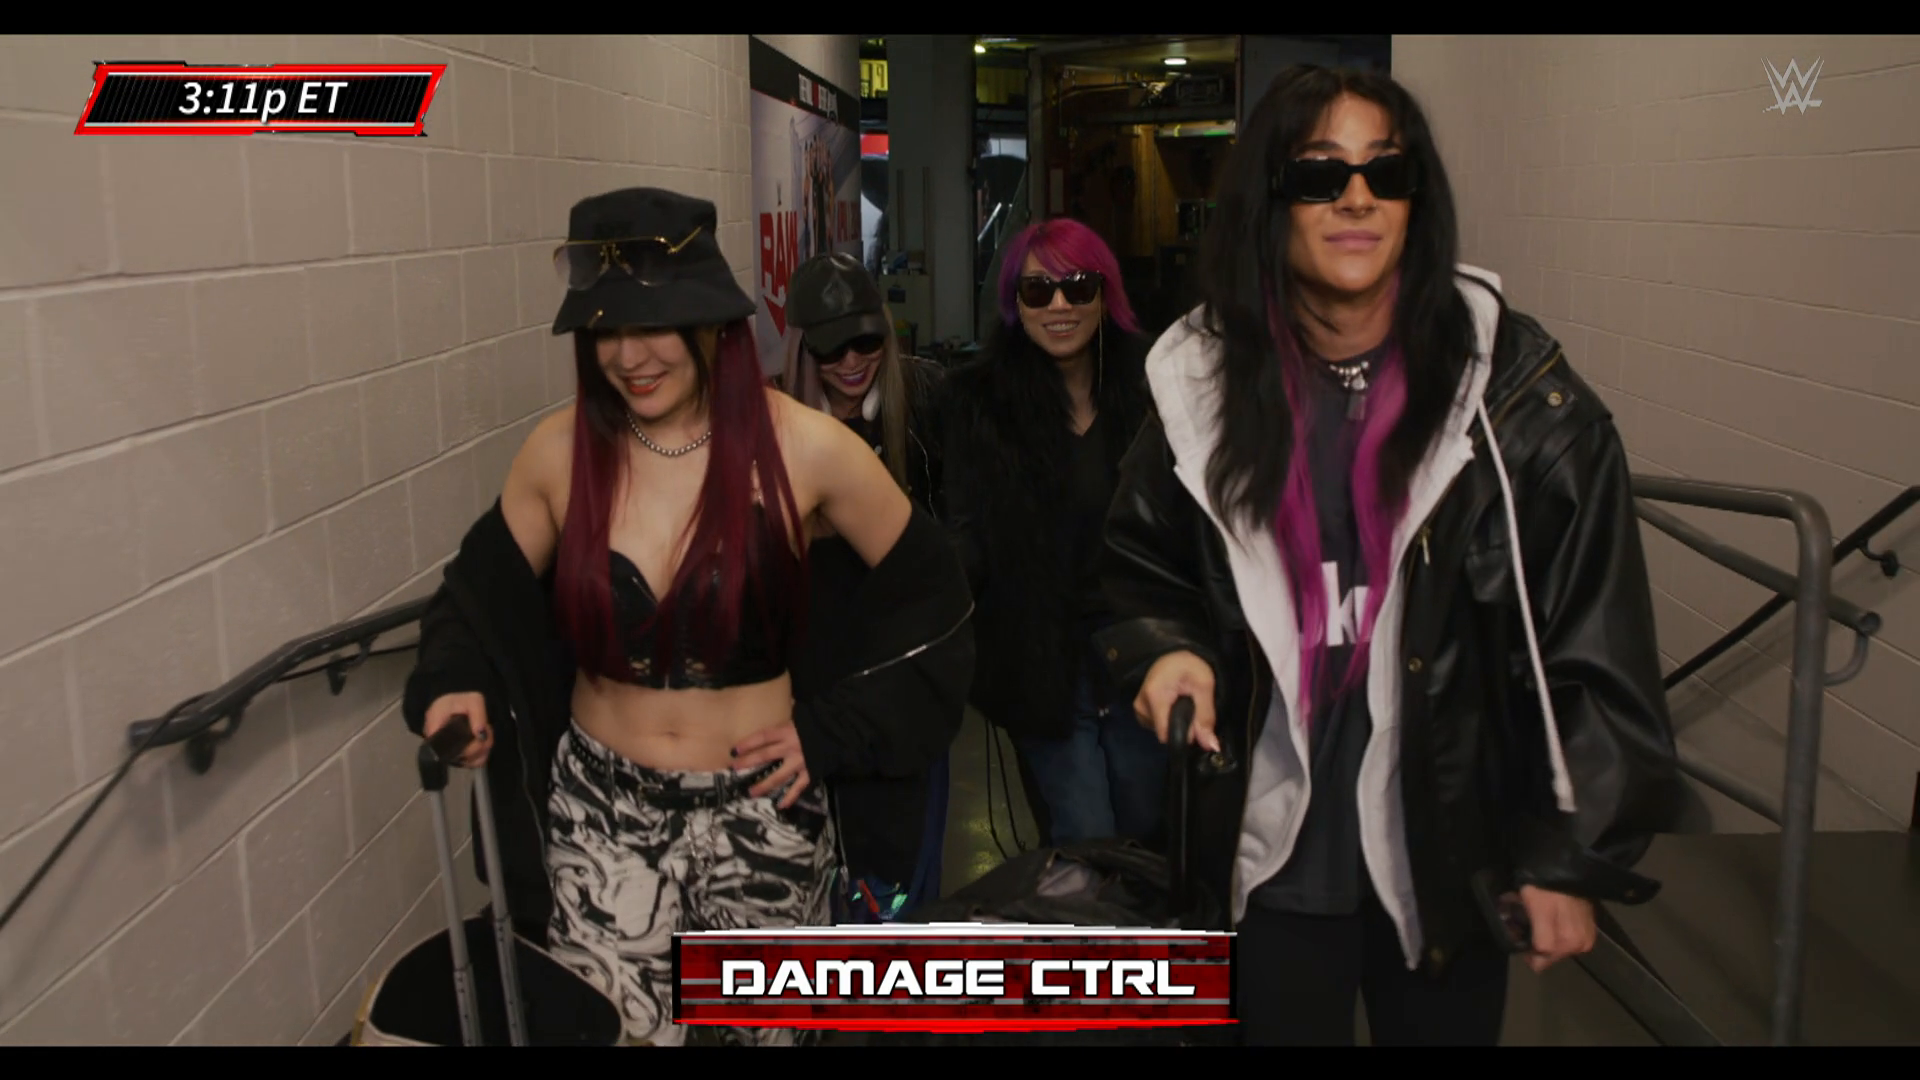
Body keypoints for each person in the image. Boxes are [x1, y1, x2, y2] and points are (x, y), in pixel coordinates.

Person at [1096, 64, 1683, 1046]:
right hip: (1267, 862)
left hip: (1447, 861)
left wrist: (1569, 853)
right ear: (1269, 203)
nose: (1358, 197)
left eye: (1387, 171)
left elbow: (1597, 645)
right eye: (1319, 174)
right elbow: (1140, 570)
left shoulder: (1518, 404)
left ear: (1418, 200)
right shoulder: (1201, 389)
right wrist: (1166, 651)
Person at [399, 187, 974, 1047]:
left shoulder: (808, 449)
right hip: (602, 816)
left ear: (711, 323)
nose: (629, 356)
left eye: (654, 326)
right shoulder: (558, 455)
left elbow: (938, 601)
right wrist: (453, 683)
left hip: (763, 813)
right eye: (605, 332)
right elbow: (473, 600)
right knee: (611, 1035)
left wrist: (834, 730)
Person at [941, 218, 1161, 849]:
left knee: (1147, 826)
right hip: (1039, 659)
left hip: (1140, 649)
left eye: (1078, 287)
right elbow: (968, 535)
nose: (1060, 306)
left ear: (1105, 294)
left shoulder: (1157, 389)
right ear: (1016, 303)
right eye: (1039, 291)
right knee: (1084, 834)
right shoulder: (981, 405)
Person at [781, 251, 954, 922]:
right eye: (831, 348)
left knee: (900, 899)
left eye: (866, 341)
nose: (852, 361)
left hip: (903, 701)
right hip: (817, 701)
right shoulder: (775, 432)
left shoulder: (928, 405)